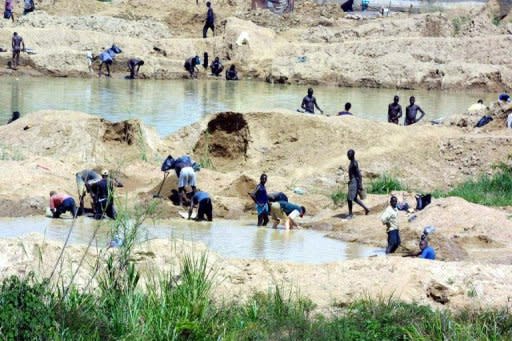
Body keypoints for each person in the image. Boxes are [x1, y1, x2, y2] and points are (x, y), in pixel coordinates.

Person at [346, 149, 369, 218]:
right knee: (354, 198)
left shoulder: (354, 163)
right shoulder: (352, 162)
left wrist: (360, 185)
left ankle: (350, 214)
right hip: (353, 181)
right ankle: (366, 209)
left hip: (354, 182)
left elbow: (358, 174)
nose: (348, 156)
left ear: (352, 155)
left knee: (349, 199)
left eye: (349, 155)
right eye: (348, 154)